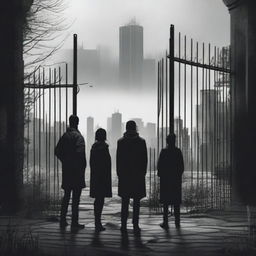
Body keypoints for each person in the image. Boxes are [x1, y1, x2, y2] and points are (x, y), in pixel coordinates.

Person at [55, 115, 86, 229]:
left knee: (66, 196)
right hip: (76, 171)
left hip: (67, 170)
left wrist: (65, 160)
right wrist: (81, 166)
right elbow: (80, 153)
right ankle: (74, 222)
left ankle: (63, 220)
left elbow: (57, 151)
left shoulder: (64, 136)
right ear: (77, 122)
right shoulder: (78, 137)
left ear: (69, 122)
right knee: (76, 198)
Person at [116, 120, 148, 234]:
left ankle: (123, 225)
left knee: (125, 201)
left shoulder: (121, 142)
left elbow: (118, 160)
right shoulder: (141, 142)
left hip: (125, 176)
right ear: (135, 128)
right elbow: (144, 160)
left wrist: (119, 174)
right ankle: (135, 224)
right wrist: (142, 173)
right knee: (136, 202)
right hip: (137, 176)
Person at [157, 134, 184, 230]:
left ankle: (165, 221)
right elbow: (181, 166)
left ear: (167, 141)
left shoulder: (164, 151)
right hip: (175, 179)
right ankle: (177, 221)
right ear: (174, 141)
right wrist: (178, 175)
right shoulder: (178, 151)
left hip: (166, 179)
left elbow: (159, 166)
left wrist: (161, 175)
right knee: (176, 201)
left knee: (165, 202)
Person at [89, 128, 112, 232]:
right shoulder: (104, 148)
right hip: (103, 177)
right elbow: (107, 164)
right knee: (101, 199)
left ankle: (96, 221)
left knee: (97, 199)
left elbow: (91, 163)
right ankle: (98, 223)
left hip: (95, 176)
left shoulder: (93, 147)